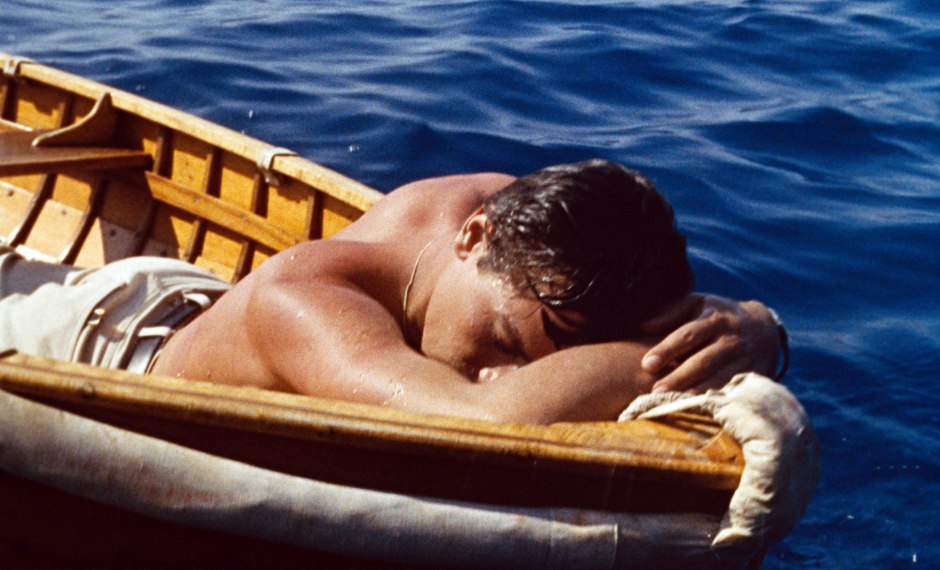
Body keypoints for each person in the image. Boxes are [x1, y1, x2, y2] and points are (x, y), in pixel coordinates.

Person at [0, 160, 783, 423]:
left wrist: (755, 326)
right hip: (97, 337)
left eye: (537, 362)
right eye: (503, 343)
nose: (504, 374)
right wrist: (668, 355)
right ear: (472, 237)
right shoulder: (302, 304)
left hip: (200, 298)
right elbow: (486, 420)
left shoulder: (519, 223)